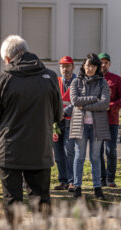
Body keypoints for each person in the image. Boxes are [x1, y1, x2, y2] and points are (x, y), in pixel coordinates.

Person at [0, 35, 62, 223]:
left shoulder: (2, 80)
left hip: (10, 150)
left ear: (8, 59)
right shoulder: (50, 77)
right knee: (41, 201)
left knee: (12, 201)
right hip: (40, 149)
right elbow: (57, 114)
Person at [69, 53, 110, 200]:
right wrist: (94, 99)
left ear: (97, 67)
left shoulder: (102, 83)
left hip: (97, 126)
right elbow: (74, 101)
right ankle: (77, 187)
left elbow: (105, 103)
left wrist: (85, 105)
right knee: (79, 156)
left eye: (92, 66)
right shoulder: (76, 82)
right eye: (87, 65)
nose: (89, 68)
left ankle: (97, 188)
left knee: (95, 158)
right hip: (80, 126)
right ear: (83, 66)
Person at [53, 56, 76, 192]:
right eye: (62, 66)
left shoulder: (78, 82)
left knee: (69, 152)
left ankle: (72, 181)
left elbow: (78, 101)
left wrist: (64, 112)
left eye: (67, 66)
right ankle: (63, 181)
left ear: (73, 67)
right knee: (58, 153)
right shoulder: (56, 82)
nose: (65, 69)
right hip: (56, 122)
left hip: (71, 122)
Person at [98, 52, 121, 188]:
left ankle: (110, 179)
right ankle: (101, 178)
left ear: (109, 64)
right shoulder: (94, 80)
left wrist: (110, 106)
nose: (103, 65)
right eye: (101, 62)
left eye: (106, 62)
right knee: (98, 151)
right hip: (97, 120)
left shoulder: (116, 79)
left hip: (112, 120)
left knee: (111, 150)